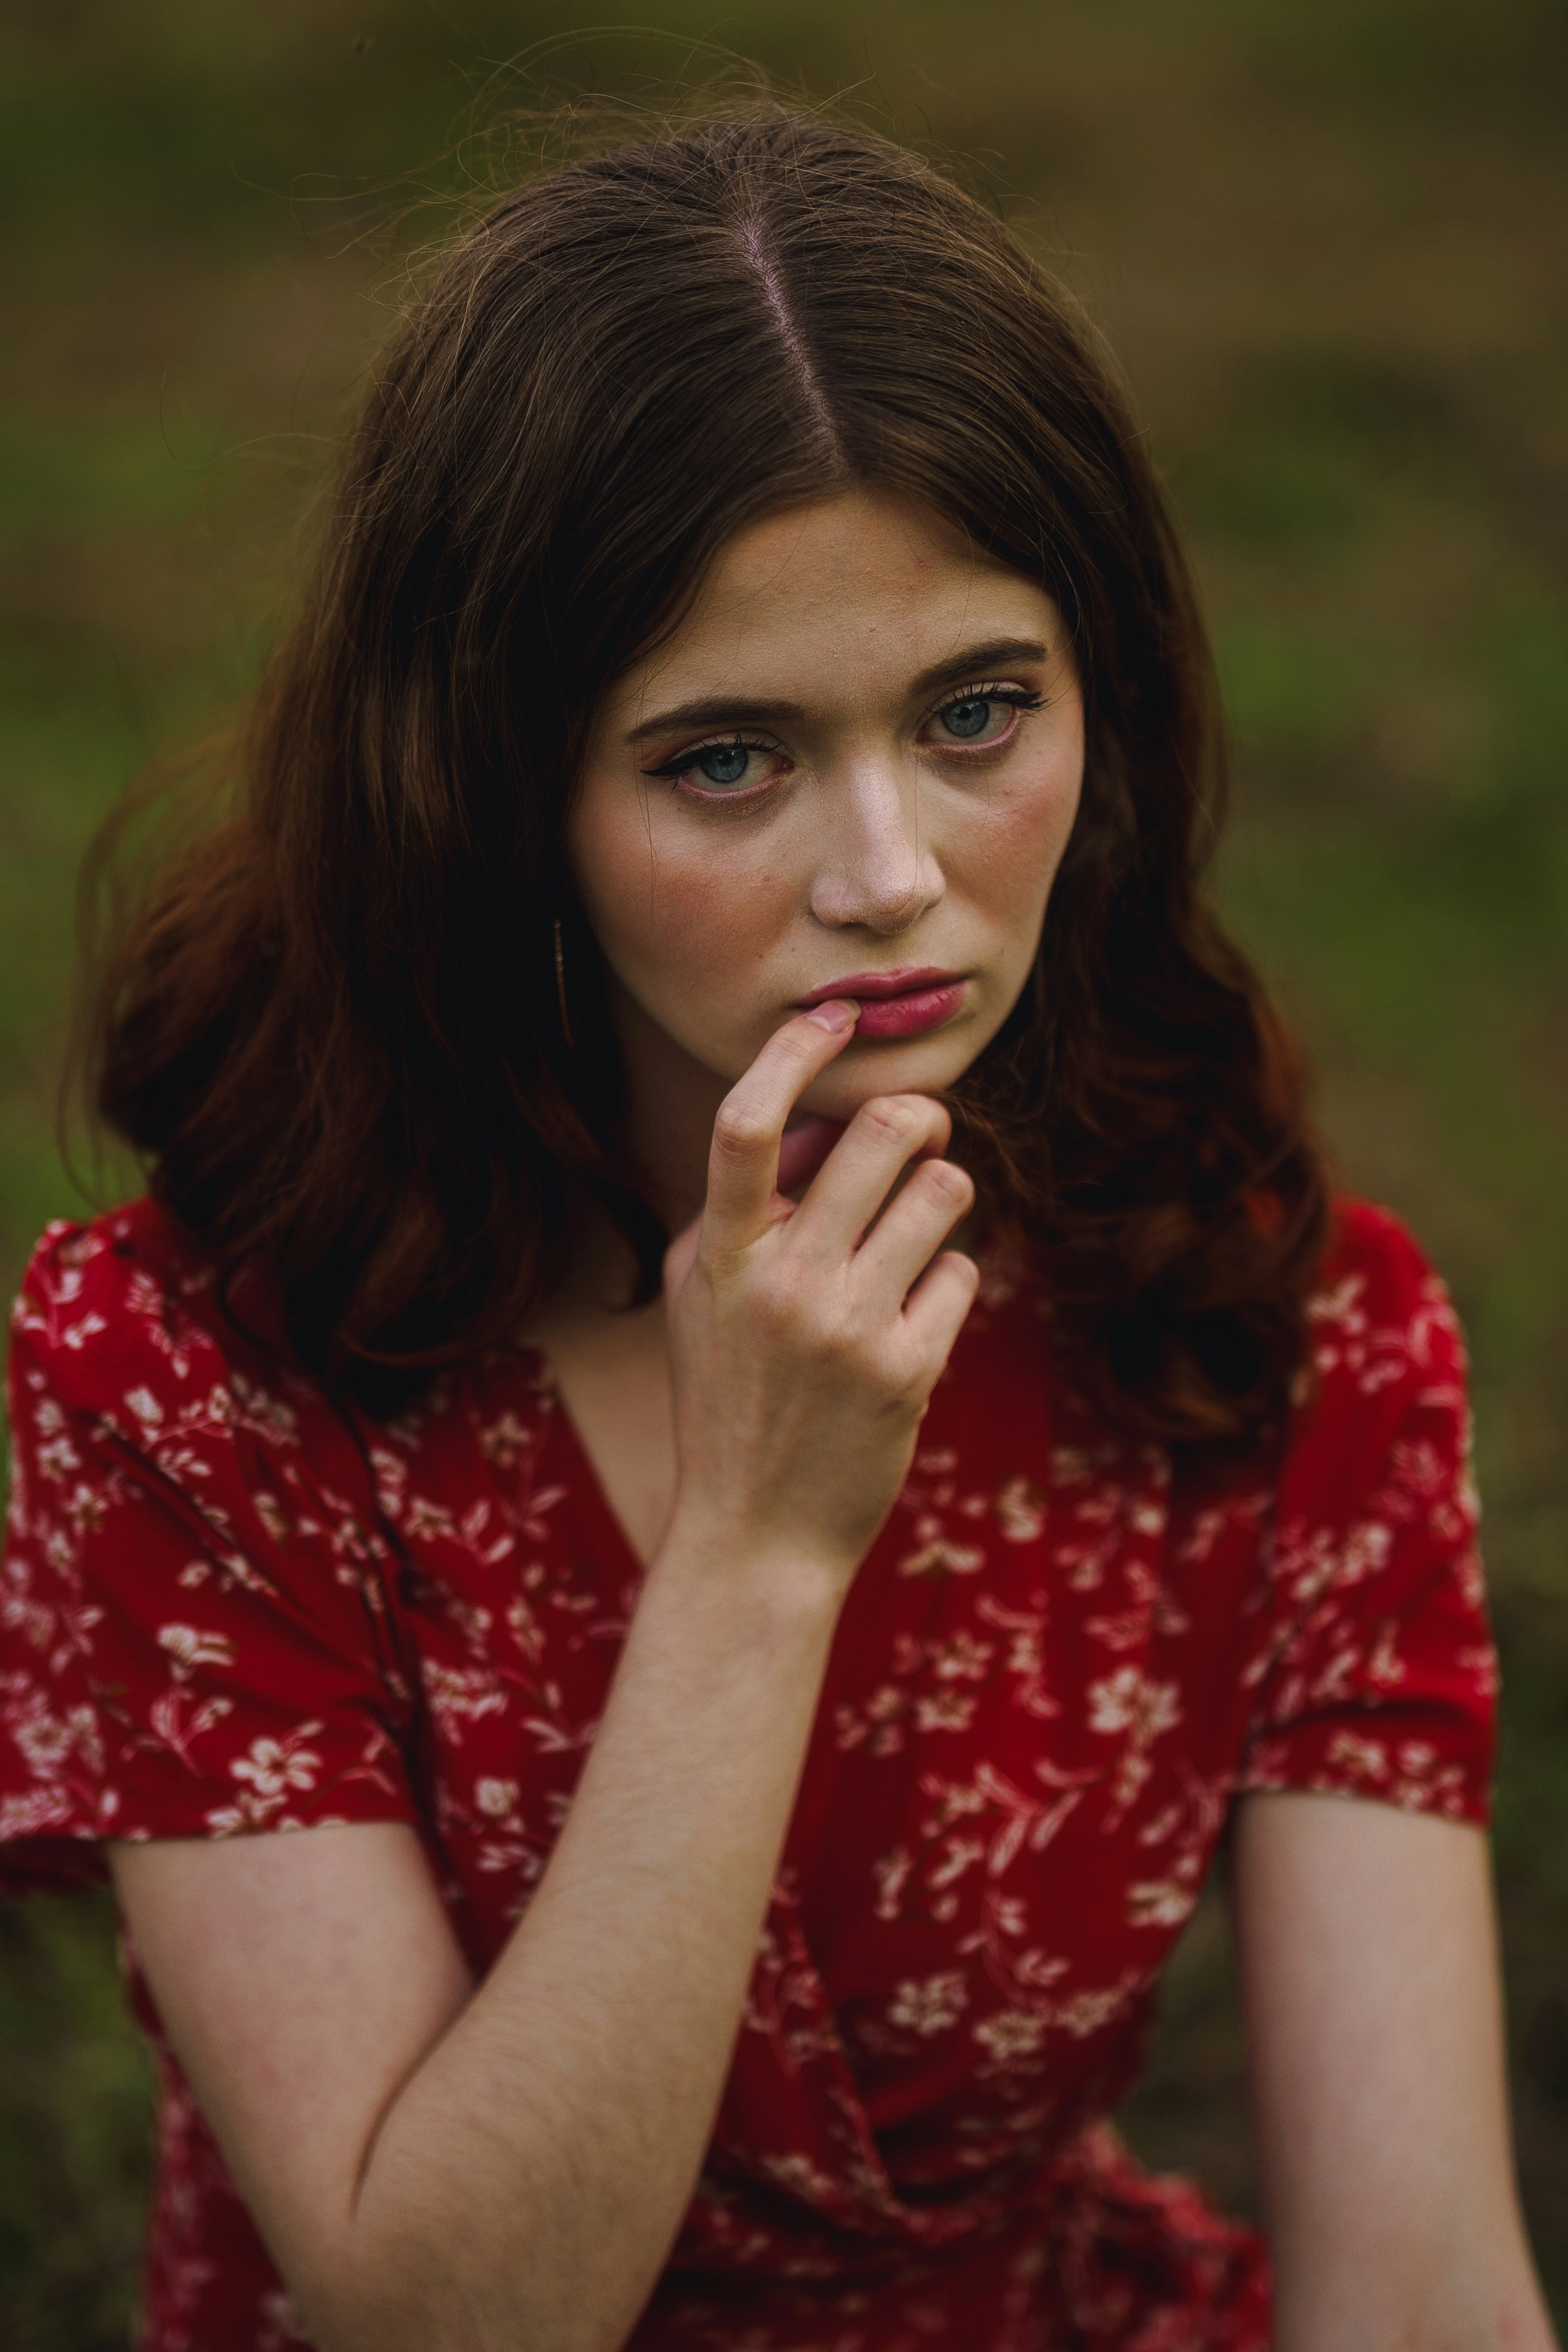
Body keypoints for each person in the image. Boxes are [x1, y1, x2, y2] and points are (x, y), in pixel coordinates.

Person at [0, 102, 1555, 2352]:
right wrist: (756, 1556)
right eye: (727, 756)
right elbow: (443, 2321)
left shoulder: (1277, 1329)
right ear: (493, 787)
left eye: (977, 712)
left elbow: (1416, 2291)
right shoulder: (196, 1390)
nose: (891, 872)